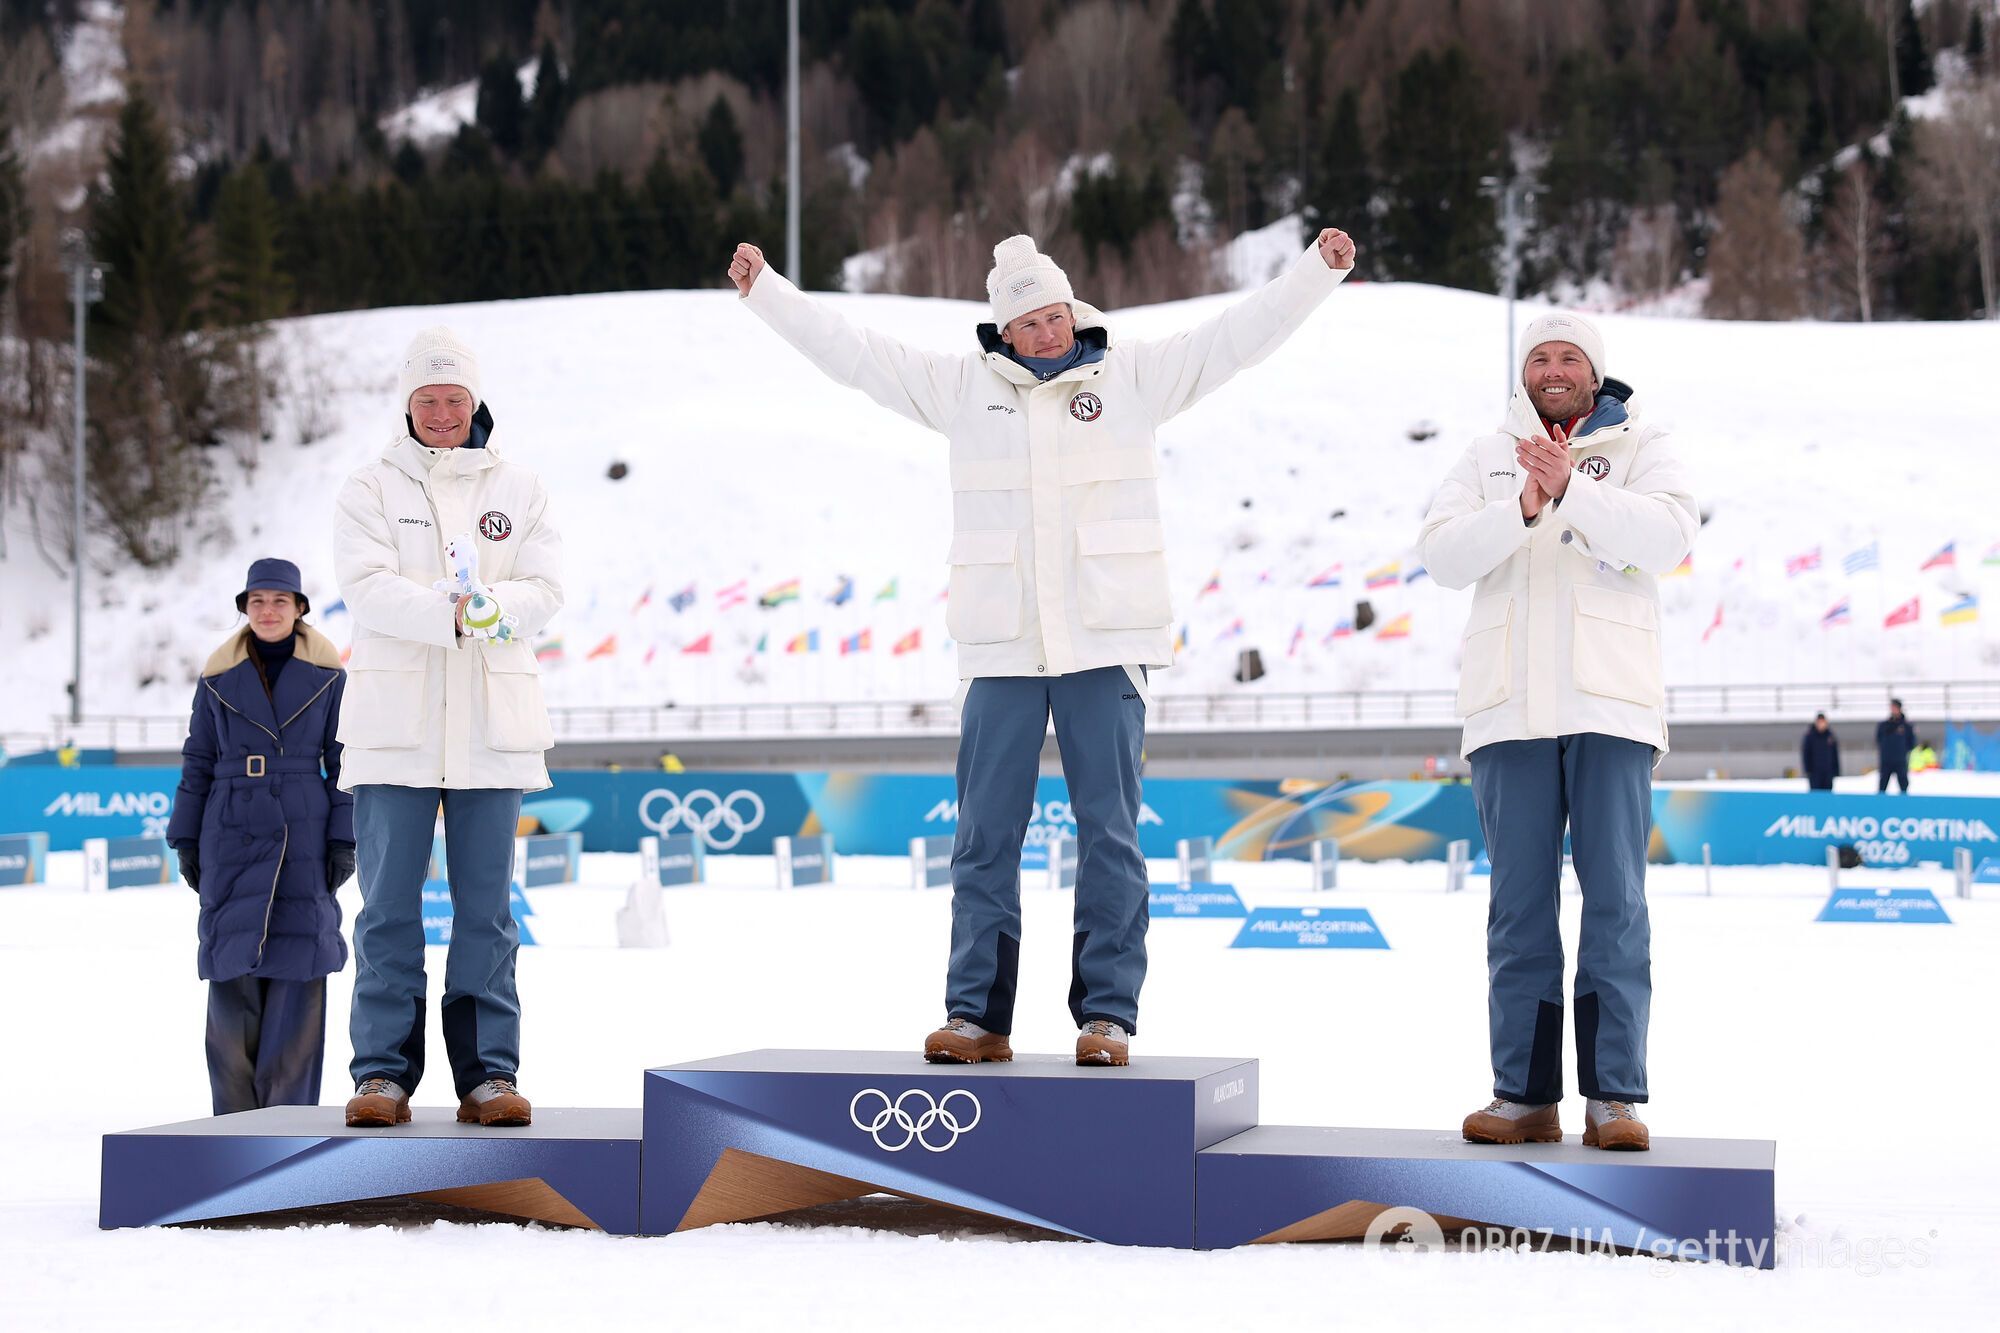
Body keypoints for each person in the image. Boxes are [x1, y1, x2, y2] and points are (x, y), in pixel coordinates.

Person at [729, 226, 1356, 1067]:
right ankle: (976, 1016)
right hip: (1003, 649)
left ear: (1073, 309)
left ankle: (1107, 1016)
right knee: (985, 836)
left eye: (1056, 314)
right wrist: (767, 291)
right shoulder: (960, 388)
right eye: (1030, 322)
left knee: (1111, 835)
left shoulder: (1134, 376)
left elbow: (1237, 338)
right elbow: (856, 354)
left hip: (1107, 640)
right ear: (1005, 331)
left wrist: (1316, 272)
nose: (1049, 331)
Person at [1420, 312, 1697, 1152]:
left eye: (1569, 356)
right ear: (1523, 374)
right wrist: (1524, 502)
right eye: (1539, 356)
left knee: (1616, 901)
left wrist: (1574, 488)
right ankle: (1525, 1095)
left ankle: (1614, 1097)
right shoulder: (1487, 455)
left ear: (1594, 373)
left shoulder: (1644, 444)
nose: (1553, 367)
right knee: (1518, 908)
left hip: (1610, 702)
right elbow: (1441, 556)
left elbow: (1670, 538)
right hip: (1509, 710)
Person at [333, 326, 563, 1128]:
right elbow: (365, 586)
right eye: (427, 400)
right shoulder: (369, 487)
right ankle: (382, 1074)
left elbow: (546, 586)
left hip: (491, 732)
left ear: (475, 401)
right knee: (387, 911)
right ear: (408, 404)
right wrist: (455, 615)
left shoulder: (520, 487)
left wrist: (496, 608)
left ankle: (489, 1074)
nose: (441, 413)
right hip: (394, 734)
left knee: (487, 915)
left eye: (454, 398)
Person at [166, 558, 351, 1115]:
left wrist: (344, 839)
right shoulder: (217, 678)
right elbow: (197, 760)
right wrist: (186, 837)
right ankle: (233, 1131)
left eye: (280, 601)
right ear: (245, 609)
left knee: (299, 969)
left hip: (303, 831)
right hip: (230, 828)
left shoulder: (330, 677)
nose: (268, 611)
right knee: (232, 974)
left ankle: (287, 1129)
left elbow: (345, 763)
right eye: (257, 601)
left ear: (300, 608)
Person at [1877, 700, 1916, 792]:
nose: (1893, 709)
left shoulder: (1907, 726)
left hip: (1900, 760)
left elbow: (1911, 742)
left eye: (1895, 707)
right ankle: (1880, 801)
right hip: (1886, 760)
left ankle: (1904, 800)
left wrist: (1902, 751)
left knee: (1903, 785)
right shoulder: (1884, 725)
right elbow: (1878, 739)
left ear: (1899, 708)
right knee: (1882, 785)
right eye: (1892, 707)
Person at [1802, 713, 1840, 791]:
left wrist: (1836, 770)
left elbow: (1835, 754)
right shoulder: (1810, 736)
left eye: (1823, 722)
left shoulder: (1830, 736)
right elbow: (1806, 754)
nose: (1821, 724)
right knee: (1816, 794)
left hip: (1828, 773)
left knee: (1827, 794)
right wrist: (1808, 770)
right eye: (1819, 722)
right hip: (1815, 773)